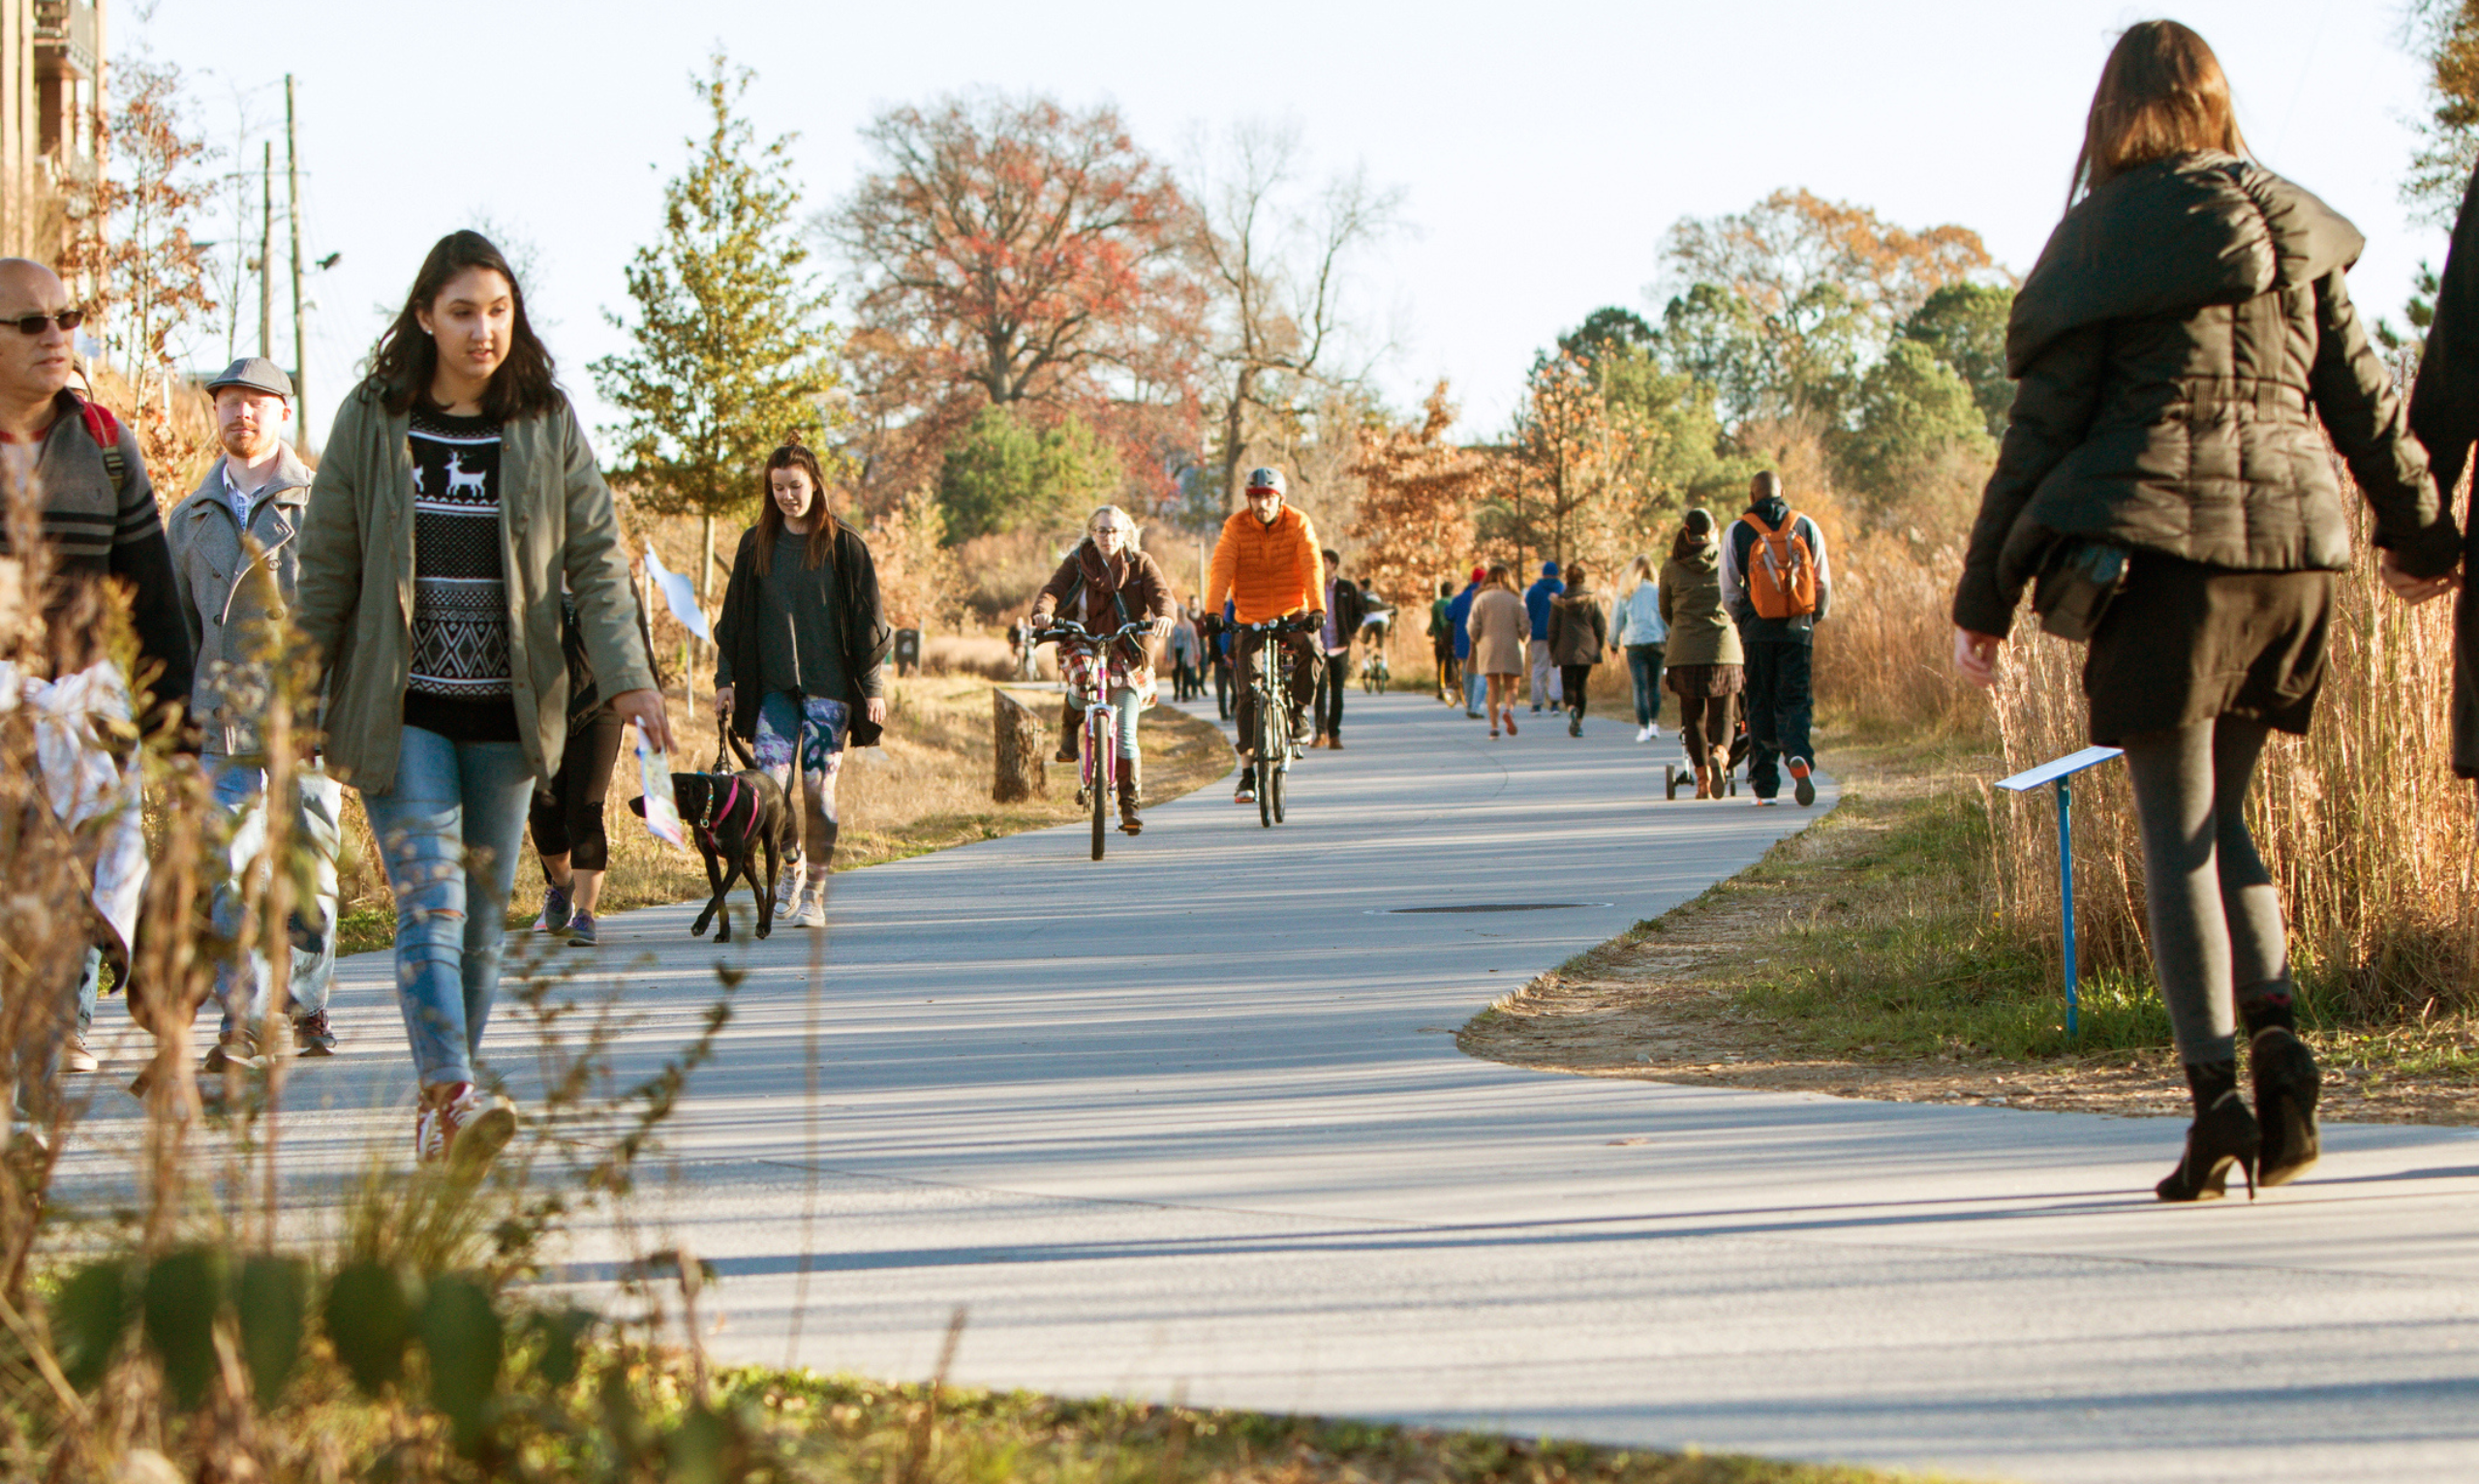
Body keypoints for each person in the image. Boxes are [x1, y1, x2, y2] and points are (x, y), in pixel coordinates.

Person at [1950, 21, 2458, 1202]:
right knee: (2224, 819)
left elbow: (2039, 436)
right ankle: (2280, 1053)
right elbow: (2363, 403)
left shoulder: (2099, 241)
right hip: (2291, 558)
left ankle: (2216, 1101)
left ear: (2111, 110)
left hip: (2163, 561)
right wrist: (2426, 535)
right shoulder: (2288, 223)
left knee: (2174, 830)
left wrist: (1984, 598)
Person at [293, 230, 672, 1168]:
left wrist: (630, 676)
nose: (483, 330)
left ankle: (441, 1107)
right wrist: (296, 691)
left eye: (498, 311)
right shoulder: (374, 416)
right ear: (426, 315)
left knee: (484, 915)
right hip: (401, 707)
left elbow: (597, 556)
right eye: (462, 311)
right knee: (432, 905)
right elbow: (328, 563)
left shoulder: (543, 419)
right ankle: (456, 1093)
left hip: (510, 711)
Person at [0, 257, 194, 1087]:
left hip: (82, 717)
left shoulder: (107, 445)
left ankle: (36, 1086)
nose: (56, 336)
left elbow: (151, 600)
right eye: (31, 323)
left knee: (66, 896)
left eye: (66, 317)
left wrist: (178, 734)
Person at [166, 356, 343, 1067]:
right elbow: (181, 631)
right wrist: (180, 723)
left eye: (257, 402)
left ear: (284, 412)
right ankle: (243, 1017)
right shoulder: (189, 517)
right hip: (222, 718)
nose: (242, 413)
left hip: (304, 716)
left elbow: (344, 616)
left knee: (310, 872)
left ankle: (305, 1003)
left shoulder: (323, 505)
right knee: (231, 873)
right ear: (214, 410)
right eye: (230, 401)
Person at [715, 437, 893, 925]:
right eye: (778, 488)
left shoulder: (844, 544)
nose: (787, 496)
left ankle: (815, 890)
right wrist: (725, 679)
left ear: (815, 484)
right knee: (768, 790)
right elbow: (734, 619)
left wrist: (873, 687)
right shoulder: (755, 543)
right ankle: (791, 864)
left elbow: (868, 622)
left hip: (829, 689)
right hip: (773, 688)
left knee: (818, 790)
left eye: (795, 486)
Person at [528, 572, 658, 948]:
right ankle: (561, 884)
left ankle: (585, 914)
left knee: (586, 809)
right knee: (542, 811)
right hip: (541, 709)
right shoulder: (531, 565)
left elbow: (636, 638)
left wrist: (649, 698)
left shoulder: (610, 571)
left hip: (601, 705)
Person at [1030, 505, 1176, 833]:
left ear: (1125, 533)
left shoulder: (1140, 563)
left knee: (1125, 731)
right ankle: (1070, 730)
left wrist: (1165, 615)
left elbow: (1161, 595)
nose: (1108, 536)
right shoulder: (1077, 562)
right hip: (1082, 641)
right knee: (1082, 686)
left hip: (1127, 647)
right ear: (1091, 533)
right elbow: (1052, 591)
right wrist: (1043, 612)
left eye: (1114, 530)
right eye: (1101, 530)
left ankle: (1129, 805)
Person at [1205, 467, 1324, 805]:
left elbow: (1312, 564)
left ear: (1280, 499)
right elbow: (1221, 567)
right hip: (1251, 615)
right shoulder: (1236, 526)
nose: (1262, 505)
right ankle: (1248, 773)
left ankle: (1298, 710)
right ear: (1248, 499)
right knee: (1247, 690)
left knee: (1313, 649)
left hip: (1293, 609)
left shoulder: (1298, 522)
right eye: (1255, 498)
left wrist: (1317, 607)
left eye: (1268, 498)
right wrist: (1213, 611)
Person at [1722, 471, 1831, 806]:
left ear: (1751, 496)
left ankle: (1765, 785)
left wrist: (1744, 620)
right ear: (1782, 491)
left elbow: (1728, 588)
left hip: (1757, 631)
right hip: (1798, 629)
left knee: (1758, 702)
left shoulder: (1738, 530)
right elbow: (1822, 582)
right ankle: (1798, 755)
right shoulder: (1806, 525)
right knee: (1795, 699)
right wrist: (1811, 618)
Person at [1663, 510, 1743, 800]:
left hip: (1685, 651)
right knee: (1724, 716)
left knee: (1693, 718)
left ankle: (1703, 782)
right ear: (1711, 532)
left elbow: (1665, 610)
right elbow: (1739, 598)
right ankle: (1719, 756)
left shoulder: (1672, 566)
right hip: (1724, 649)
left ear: (1686, 531)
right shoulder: (1727, 558)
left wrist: (1684, 628)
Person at [1310, 548, 1365, 749]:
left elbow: (1360, 611)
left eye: (1324, 561)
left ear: (1334, 564)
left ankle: (1334, 734)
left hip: (1340, 646)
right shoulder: (1313, 587)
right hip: (1320, 646)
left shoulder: (1346, 588)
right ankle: (1320, 733)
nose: (1321, 564)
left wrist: (1351, 631)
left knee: (1337, 692)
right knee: (1320, 689)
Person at [1610, 553, 1668, 742]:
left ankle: (1643, 727)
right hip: (1657, 641)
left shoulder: (1626, 593)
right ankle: (1654, 723)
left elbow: (1617, 619)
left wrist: (1613, 643)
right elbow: (1666, 616)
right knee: (1654, 685)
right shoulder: (1657, 591)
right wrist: (1668, 636)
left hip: (1635, 644)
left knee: (1640, 686)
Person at [1546, 561, 1607, 737]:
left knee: (1568, 686)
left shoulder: (1558, 602)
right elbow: (1600, 625)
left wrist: (1553, 652)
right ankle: (1578, 722)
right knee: (1581, 686)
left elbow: (1552, 630)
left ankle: (1571, 708)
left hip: (1565, 649)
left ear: (1567, 579)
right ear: (1583, 579)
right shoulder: (1591, 600)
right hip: (1587, 648)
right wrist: (1598, 646)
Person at [1468, 566, 1527, 738]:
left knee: (1493, 688)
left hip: (1488, 647)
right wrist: (1523, 638)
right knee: (1512, 686)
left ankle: (1494, 727)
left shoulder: (1481, 599)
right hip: (1511, 645)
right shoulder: (1516, 599)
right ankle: (1509, 710)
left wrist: (1477, 639)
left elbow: (1473, 626)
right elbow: (1525, 626)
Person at [1523, 560, 1564, 712]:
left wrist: (1531, 627)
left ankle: (1536, 703)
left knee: (1539, 668)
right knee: (1555, 668)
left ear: (1543, 574)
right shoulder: (1561, 589)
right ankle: (1555, 703)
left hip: (1539, 633)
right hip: (1557, 635)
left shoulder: (1534, 590)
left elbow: (1528, 612)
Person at [1447, 566, 1485, 718]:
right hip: (1481, 639)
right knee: (1480, 674)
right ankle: (1476, 706)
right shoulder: (1485, 597)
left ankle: (1469, 703)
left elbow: (1449, 614)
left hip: (1463, 641)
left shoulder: (1459, 598)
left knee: (1467, 673)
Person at [1194, 597, 1233, 721]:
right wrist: (1209, 662)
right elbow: (1211, 647)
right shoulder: (1216, 627)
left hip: (1232, 662)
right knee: (1221, 690)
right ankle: (1223, 714)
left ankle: (1233, 709)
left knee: (1235, 688)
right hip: (1219, 662)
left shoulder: (1233, 626)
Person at [1427, 580, 1459, 704]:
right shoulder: (1457, 600)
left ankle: (1442, 690)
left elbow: (1435, 623)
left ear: (1441, 592)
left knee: (1441, 660)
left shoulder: (1438, 604)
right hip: (1459, 633)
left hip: (1446, 633)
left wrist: (1438, 638)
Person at [1167, 602, 1201, 703]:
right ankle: (1177, 691)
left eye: (1181, 612)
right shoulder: (1173, 625)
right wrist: (1166, 654)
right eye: (1178, 612)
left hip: (1187, 652)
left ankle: (1185, 694)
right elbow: (1168, 641)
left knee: (1186, 673)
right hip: (1175, 652)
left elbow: (1195, 639)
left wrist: (1198, 652)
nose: (1179, 614)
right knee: (1175, 673)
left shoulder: (1190, 625)